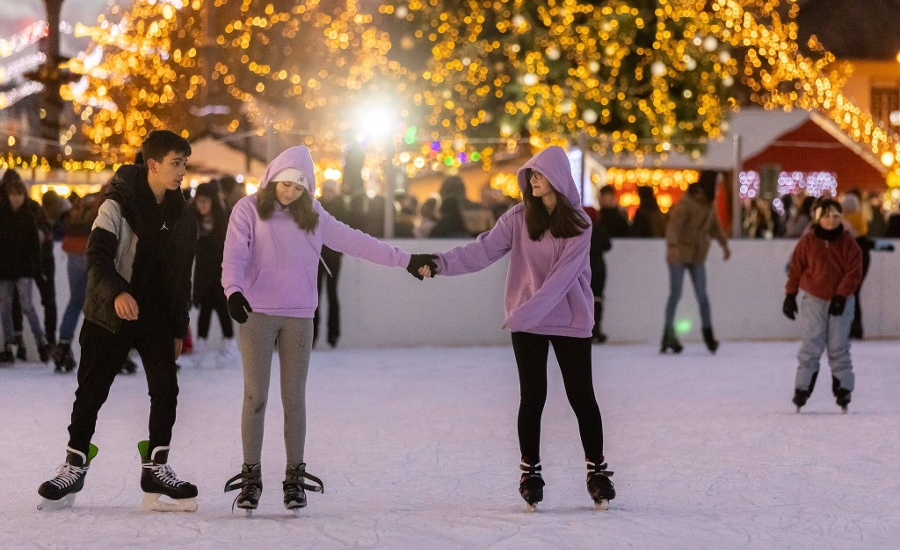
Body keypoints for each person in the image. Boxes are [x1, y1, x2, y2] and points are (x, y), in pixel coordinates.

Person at [221, 146, 436, 515]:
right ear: (273, 179)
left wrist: (405, 260)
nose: (290, 192)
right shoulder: (248, 209)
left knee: (294, 397)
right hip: (256, 313)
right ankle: (251, 476)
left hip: (300, 315)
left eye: (298, 187)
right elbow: (235, 254)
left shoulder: (314, 215)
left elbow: (357, 241)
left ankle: (294, 477)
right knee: (255, 396)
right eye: (285, 184)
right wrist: (233, 290)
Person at [427, 146, 615, 512]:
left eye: (540, 174)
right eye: (531, 175)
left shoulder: (580, 224)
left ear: (558, 178)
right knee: (533, 396)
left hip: (569, 318)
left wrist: (523, 314)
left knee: (581, 396)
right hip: (527, 321)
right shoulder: (518, 218)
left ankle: (597, 472)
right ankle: (531, 473)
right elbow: (481, 251)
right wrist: (439, 263)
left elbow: (561, 280)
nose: (533, 180)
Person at [37, 130, 199, 512]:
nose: (182, 172)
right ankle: (75, 464)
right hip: (111, 313)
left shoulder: (183, 216)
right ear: (153, 164)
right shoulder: (115, 205)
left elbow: (182, 278)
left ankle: (156, 467)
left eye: (184, 164)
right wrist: (118, 293)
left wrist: (178, 328)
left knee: (166, 389)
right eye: (176, 164)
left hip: (156, 317)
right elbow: (97, 257)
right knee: (91, 390)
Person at [782, 199, 862, 413]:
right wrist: (790, 295)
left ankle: (843, 388)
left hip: (842, 301)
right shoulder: (808, 241)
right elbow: (796, 268)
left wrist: (841, 295)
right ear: (817, 218)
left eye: (836, 216)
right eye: (826, 216)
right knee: (812, 343)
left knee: (838, 346)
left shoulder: (848, 243)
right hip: (814, 300)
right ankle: (802, 387)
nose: (831, 220)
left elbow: (854, 272)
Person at [662, 170, 731, 354]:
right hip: (679, 255)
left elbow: (715, 227)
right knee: (675, 294)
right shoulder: (687, 203)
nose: (718, 188)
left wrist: (724, 245)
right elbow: (674, 225)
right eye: (716, 184)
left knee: (702, 296)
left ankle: (709, 336)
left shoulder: (709, 204)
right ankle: (668, 335)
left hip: (697, 255)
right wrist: (672, 246)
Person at [53, 188, 106, 372]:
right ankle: (105, 349)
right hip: (94, 250)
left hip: (73, 249)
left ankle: (63, 345)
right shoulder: (112, 199)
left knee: (76, 301)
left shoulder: (86, 199)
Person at [0, 174, 50, 364]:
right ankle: (10, 342)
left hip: (23, 268)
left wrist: (37, 268)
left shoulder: (28, 216)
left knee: (27, 305)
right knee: (4, 306)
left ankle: (40, 340)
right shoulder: (2, 215)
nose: (16, 198)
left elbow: (34, 245)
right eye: (13, 194)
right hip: (5, 269)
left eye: (19, 195)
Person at [191, 181, 235, 364]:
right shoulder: (194, 222)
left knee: (222, 308)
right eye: (199, 201)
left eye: (206, 201)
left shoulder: (222, 221)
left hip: (220, 274)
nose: (202, 205)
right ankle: (201, 345)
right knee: (205, 308)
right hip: (203, 274)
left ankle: (229, 345)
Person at [313, 179, 347, 348]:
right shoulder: (316, 207)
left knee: (332, 294)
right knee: (315, 295)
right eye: (325, 190)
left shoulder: (341, 209)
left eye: (330, 191)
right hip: (317, 257)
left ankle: (333, 334)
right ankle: (313, 335)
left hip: (332, 258)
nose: (327, 194)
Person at [589, 220, 612, 343]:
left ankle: (586, 327)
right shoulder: (599, 228)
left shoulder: (580, 227)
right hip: (598, 265)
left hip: (584, 264)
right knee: (597, 297)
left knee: (585, 298)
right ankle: (596, 328)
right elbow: (608, 245)